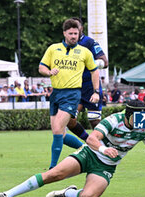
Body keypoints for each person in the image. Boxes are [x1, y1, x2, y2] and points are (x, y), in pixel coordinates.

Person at [0, 100, 145, 197]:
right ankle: (8, 194)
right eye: (137, 118)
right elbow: (92, 138)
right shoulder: (113, 120)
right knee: (54, 174)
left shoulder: (143, 126)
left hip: (107, 167)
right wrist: (103, 149)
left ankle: (66, 193)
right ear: (128, 115)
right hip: (89, 154)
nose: (141, 123)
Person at [38, 18, 100, 169]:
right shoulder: (53, 48)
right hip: (56, 94)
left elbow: (95, 71)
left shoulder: (84, 52)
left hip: (72, 95)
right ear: (64, 33)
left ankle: (53, 168)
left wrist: (96, 91)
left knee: (59, 128)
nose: (74, 36)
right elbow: (41, 67)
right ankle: (88, 151)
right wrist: (49, 72)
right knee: (60, 135)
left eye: (76, 33)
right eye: (71, 33)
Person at [66, 17, 108, 143]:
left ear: (81, 29)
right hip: (74, 88)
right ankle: (88, 141)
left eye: (76, 29)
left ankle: (105, 146)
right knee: (69, 120)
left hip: (90, 87)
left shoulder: (89, 42)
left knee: (94, 121)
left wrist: (87, 63)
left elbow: (104, 62)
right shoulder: (64, 46)